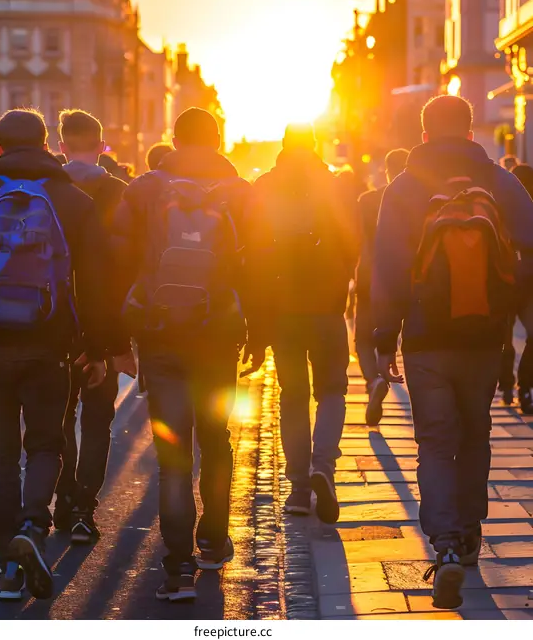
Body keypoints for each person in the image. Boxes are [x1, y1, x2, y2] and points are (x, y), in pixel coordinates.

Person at [0, 109, 120, 602]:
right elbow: (97, 281)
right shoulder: (74, 201)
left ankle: (9, 569)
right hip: (53, 345)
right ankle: (33, 527)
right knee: (47, 445)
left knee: (1, 457)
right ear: (47, 145)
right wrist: (99, 347)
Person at [373, 95, 533, 610]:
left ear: (423, 135)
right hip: (485, 335)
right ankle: (468, 535)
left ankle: (443, 548)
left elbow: (388, 268)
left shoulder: (402, 187)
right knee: (475, 431)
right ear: (469, 132)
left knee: (436, 442)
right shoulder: (498, 180)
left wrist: (383, 339)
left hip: (424, 337)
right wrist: (511, 301)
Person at [112, 107, 251, 602]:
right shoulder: (239, 192)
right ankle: (213, 541)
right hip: (217, 337)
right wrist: (252, 330)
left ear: (173, 140)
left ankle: (178, 571)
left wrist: (120, 331)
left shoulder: (146, 189)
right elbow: (259, 263)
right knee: (216, 444)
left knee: (173, 461)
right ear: (217, 140)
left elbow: (117, 257)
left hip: (160, 335)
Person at [245, 123, 359, 523]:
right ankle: (322, 467)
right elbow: (353, 243)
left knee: (292, 395)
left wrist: (256, 326)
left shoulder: (263, 188)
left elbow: (252, 256)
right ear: (313, 146)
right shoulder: (336, 186)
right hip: (326, 309)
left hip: (282, 310)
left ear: (282, 146)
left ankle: (296, 487)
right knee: (332, 391)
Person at [54, 109, 136, 543]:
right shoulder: (118, 192)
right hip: (104, 324)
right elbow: (127, 267)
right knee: (98, 421)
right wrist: (120, 340)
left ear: (62, 144)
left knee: (60, 417)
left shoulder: (48, 189)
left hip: (55, 326)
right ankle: (86, 506)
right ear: (102, 145)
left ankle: (63, 495)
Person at [355, 149, 408, 425]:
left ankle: (373, 379)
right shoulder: (413, 201)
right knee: (395, 331)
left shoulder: (367, 201)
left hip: (369, 274)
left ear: (386, 170)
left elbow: (353, 239)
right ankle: (387, 370)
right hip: (402, 275)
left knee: (363, 336)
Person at [498, 163, 533, 413]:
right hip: (528, 284)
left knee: (504, 338)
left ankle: (508, 385)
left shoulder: (502, 207)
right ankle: (524, 386)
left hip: (506, 283)